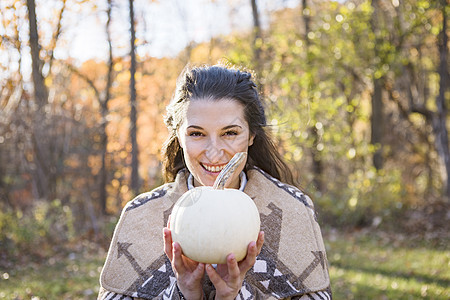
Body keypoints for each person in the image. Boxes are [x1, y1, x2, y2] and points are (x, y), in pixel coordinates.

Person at [98, 64, 332, 300]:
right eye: (197, 134)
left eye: (230, 133)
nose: (214, 153)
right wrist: (185, 294)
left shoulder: (294, 209)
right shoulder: (140, 216)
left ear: (251, 135)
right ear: (178, 137)